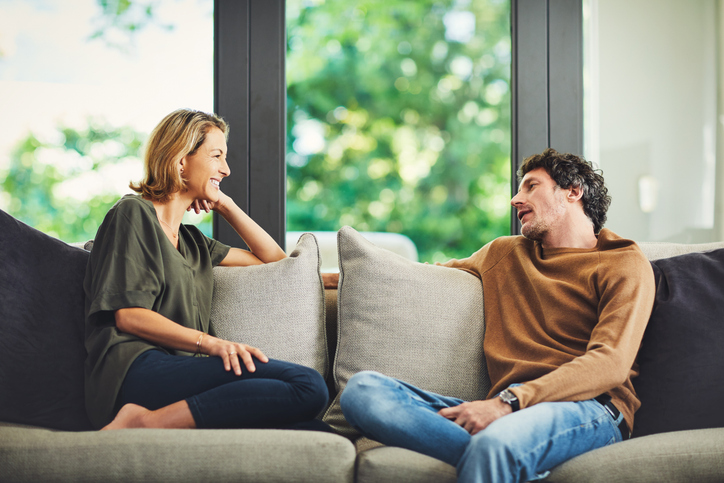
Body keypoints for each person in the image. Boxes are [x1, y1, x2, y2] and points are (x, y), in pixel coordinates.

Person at [339, 148, 656, 483]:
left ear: (573, 191)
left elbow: (610, 363)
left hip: (589, 407)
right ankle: (514, 461)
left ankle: (503, 454)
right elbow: (416, 273)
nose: (515, 199)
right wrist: (338, 278)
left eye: (531, 186)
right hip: (508, 413)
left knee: (495, 445)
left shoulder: (622, 263)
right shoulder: (504, 253)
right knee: (363, 391)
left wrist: (509, 403)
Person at [84, 108, 329, 431]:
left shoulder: (194, 241)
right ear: (180, 159)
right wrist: (213, 344)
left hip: (182, 370)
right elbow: (128, 315)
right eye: (217, 156)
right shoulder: (133, 213)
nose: (226, 170)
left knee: (314, 430)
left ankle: (160, 422)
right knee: (308, 385)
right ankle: (141, 422)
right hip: (134, 370)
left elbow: (278, 263)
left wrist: (225, 205)